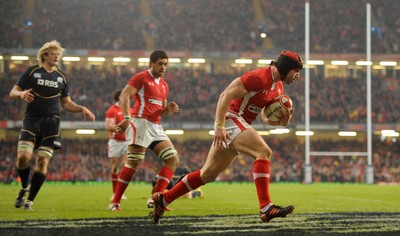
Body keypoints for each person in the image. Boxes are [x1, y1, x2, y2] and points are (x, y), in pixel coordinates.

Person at [151, 50, 303, 224]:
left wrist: (281, 123)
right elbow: (225, 95)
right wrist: (219, 126)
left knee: (206, 175)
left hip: (239, 124)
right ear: (285, 68)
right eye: (296, 71)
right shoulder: (260, 76)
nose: (297, 76)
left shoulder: (278, 87)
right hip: (231, 118)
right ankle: (266, 208)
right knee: (263, 152)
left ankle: (163, 199)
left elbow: (265, 116)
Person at [9, 40, 96, 210]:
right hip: (32, 119)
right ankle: (24, 187)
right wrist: (21, 94)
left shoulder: (61, 77)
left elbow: (66, 104)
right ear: (44, 55)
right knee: (23, 158)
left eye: (59, 54)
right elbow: (12, 92)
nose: (57, 56)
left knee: (42, 162)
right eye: (53, 53)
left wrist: (81, 108)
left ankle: (30, 200)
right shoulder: (32, 72)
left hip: (52, 123)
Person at [109, 50, 180, 211]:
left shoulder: (164, 85)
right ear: (151, 63)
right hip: (140, 123)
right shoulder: (141, 77)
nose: (163, 67)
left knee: (172, 159)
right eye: (160, 64)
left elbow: (161, 111)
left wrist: (168, 109)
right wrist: (127, 118)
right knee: (133, 163)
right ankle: (115, 202)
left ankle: (155, 198)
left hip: (155, 126)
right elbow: (124, 96)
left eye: (165, 64)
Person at [105, 89, 134, 200]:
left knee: (126, 166)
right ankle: (114, 192)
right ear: (120, 98)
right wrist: (119, 128)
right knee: (115, 168)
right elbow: (108, 126)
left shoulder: (130, 110)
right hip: (115, 142)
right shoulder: (112, 110)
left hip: (127, 141)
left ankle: (120, 193)